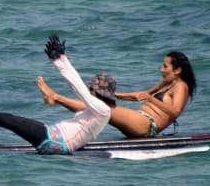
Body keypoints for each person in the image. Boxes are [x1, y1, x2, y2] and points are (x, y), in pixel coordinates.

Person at [0, 34, 115, 154]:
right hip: (53, 138)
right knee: (1, 119)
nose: (90, 90)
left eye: (93, 88)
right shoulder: (97, 112)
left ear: (99, 92)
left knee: (3, 118)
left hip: (54, 141)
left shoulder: (103, 110)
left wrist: (60, 61)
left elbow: (79, 89)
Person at [38, 49, 195, 138]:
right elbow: (140, 95)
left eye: (165, 66)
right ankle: (62, 128)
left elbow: (175, 112)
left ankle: (56, 98)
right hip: (138, 119)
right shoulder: (166, 83)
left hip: (147, 125)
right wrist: (113, 95)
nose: (161, 69)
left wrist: (151, 100)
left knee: (103, 108)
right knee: (98, 107)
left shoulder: (181, 86)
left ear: (178, 70)